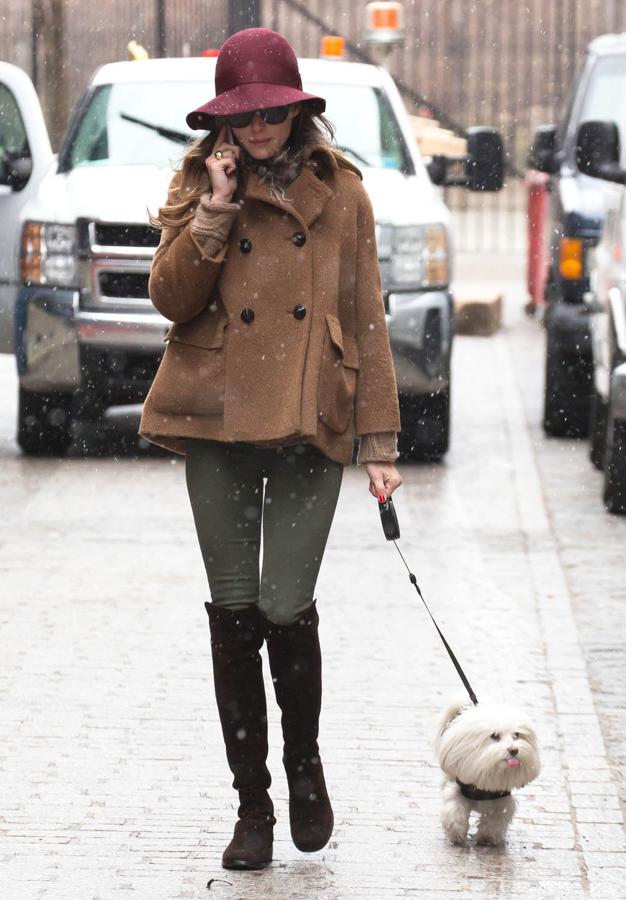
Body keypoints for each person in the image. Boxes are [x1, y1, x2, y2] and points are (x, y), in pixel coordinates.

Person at [139, 27, 402, 871]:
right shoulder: (198, 183)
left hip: (307, 417)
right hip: (217, 415)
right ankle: (252, 802)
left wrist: (381, 439)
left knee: (287, 606)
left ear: (298, 109)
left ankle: (303, 766)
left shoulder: (344, 194)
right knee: (234, 612)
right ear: (221, 121)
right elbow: (171, 299)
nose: (259, 131)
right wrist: (214, 210)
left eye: (273, 113)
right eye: (243, 117)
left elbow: (367, 319)